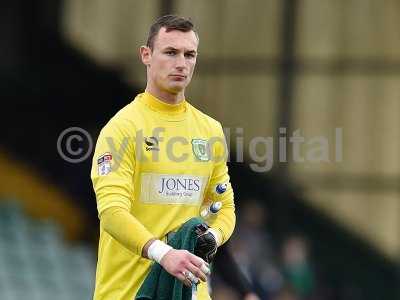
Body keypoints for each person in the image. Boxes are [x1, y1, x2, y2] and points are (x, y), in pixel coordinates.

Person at [90, 15, 236, 300]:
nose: (181, 63)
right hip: (128, 292)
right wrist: (164, 254)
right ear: (146, 55)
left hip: (188, 293)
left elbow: (224, 207)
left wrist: (211, 239)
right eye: (170, 52)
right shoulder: (123, 128)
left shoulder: (210, 130)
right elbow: (111, 212)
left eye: (189, 54)